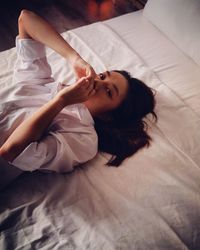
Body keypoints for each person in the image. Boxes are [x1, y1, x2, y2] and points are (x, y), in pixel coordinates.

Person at [0, 10, 157, 187]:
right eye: (102, 76)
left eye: (108, 91)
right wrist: (73, 58)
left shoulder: (83, 138)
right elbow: (25, 19)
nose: (97, 82)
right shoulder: (40, 81)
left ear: (108, 116)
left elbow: (10, 151)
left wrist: (61, 101)